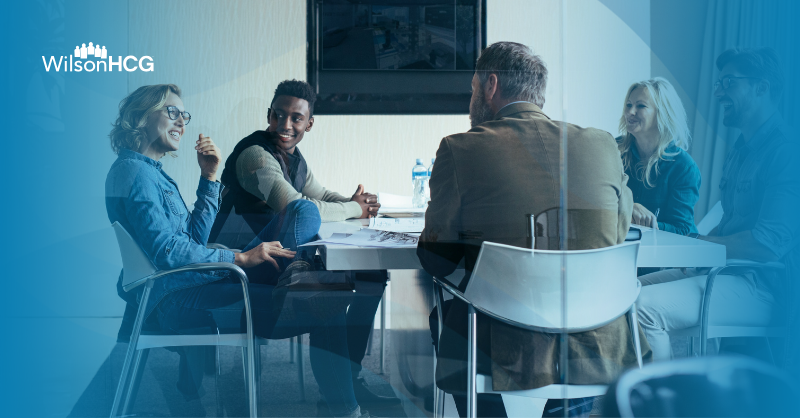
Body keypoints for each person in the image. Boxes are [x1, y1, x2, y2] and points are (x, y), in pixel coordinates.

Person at [105, 84, 370, 417]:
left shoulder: (147, 173)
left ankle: (295, 283)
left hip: (193, 284)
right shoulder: (137, 175)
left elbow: (192, 242)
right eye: (171, 112)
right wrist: (239, 258)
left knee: (305, 220)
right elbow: (168, 252)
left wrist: (209, 177)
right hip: (183, 299)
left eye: (183, 115)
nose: (181, 123)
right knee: (326, 300)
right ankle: (346, 410)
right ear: (141, 117)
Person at [417, 42, 650, 418]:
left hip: (504, 338)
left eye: (473, 87)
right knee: (573, 317)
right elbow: (616, 233)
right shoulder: (603, 144)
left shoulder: (460, 149)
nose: (472, 97)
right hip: (598, 337)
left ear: (491, 85)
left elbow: (437, 259)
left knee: (445, 314)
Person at [209, 80, 397, 407]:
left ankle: (347, 381)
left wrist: (358, 203)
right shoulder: (256, 155)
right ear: (269, 115)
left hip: (279, 264)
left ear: (309, 123)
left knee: (372, 273)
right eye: (278, 115)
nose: (285, 124)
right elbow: (298, 205)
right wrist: (354, 209)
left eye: (296, 118)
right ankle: (344, 406)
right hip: (242, 271)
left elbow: (321, 195)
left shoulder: (295, 158)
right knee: (327, 295)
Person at [636, 47, 800, 362]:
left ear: (761, 87)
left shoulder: (787, 153)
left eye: (728, 83)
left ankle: (659, 404)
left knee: (644, 308)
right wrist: (695, 248)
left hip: (765, 286)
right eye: (718, 83)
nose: (717, 92)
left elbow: (767, 245)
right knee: (625, 293)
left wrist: (695, 243)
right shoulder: (740, 150)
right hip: (726, 272)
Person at [617, 78, 701, 234]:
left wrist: (647, 224)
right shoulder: (613, 150)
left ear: (663, 114)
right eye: (628, 105)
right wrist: (627, 206)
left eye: (640, 106)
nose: (630, 112)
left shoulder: (684, 167)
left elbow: (684, 229)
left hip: (661, 253)